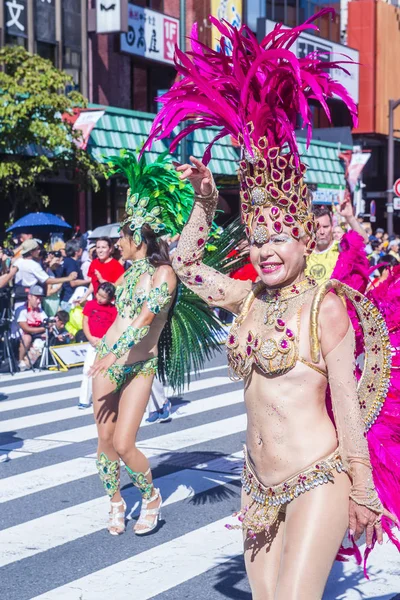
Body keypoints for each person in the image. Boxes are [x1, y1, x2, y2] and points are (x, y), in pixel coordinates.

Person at [144, 13, 400, 598]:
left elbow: (346, 405)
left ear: (305, 239)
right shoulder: (246, 299)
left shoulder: (324, 307)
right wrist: (204, 207)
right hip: (256, 481)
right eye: (257, 238)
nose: (264, 250)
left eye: (278, 237)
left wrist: (362, 486)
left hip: (319, 474)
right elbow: (186, 267)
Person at [88, 152, 179, 537]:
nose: (115, 243)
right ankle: (115, 501)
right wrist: (101, 347)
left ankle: (151, 497)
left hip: (138, 365)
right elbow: (117, 317)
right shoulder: (124, 278)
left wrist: (112, 351)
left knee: (125, 442)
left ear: (138, 238)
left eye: (121, 237)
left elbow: (144, 321)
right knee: (104, 440)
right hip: (107, 363)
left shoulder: (164, 274)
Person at [78, 282, 117, 409]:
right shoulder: (90, 305)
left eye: (103, 297)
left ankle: (104, 398)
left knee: (105, 372)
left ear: (111, 299)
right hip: (92, 343)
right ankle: (84, 399)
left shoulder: (112, 310)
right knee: (88, 370)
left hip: (106, 344)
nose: (99, 298)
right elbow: (85, 322)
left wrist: (104, 341)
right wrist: (90, 338)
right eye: (98, 295)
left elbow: (114, 327)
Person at [13, 240, 76, 308]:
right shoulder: (33, 265)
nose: (39, 251)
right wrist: (68, 278)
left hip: (18, 297)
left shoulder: (17, 262)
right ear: (31, 251)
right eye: (37, 249)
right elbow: (48, 280)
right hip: (32, 298)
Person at [79, 238, 124, 304]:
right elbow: (93, 282)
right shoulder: (94, 263)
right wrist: (84, 296)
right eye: (98, 247)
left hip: (110, 304)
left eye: (103, 247)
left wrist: (102, 281)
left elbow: (119, 287)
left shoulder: (117, 266)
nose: (100, 250)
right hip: (96, 301)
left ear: (110, 249)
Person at [16, 284, 47, 371]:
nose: (39, 301)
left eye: (40, 298)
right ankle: (20, 361)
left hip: (36, 335)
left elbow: (46, 322)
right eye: (37, 298)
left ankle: (30, 362)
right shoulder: (21, 310)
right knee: (27, 338)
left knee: (45, 337)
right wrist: (43, 329)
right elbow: (25, 328)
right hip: (22, 335)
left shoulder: (40, 311)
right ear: (29, 297)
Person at [57, 239, 88, 311]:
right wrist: (89, 280)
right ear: (79, 251)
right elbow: (73, 282)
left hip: (65, 298)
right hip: (69, 300)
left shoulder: (67, 261)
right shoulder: (72, 263)